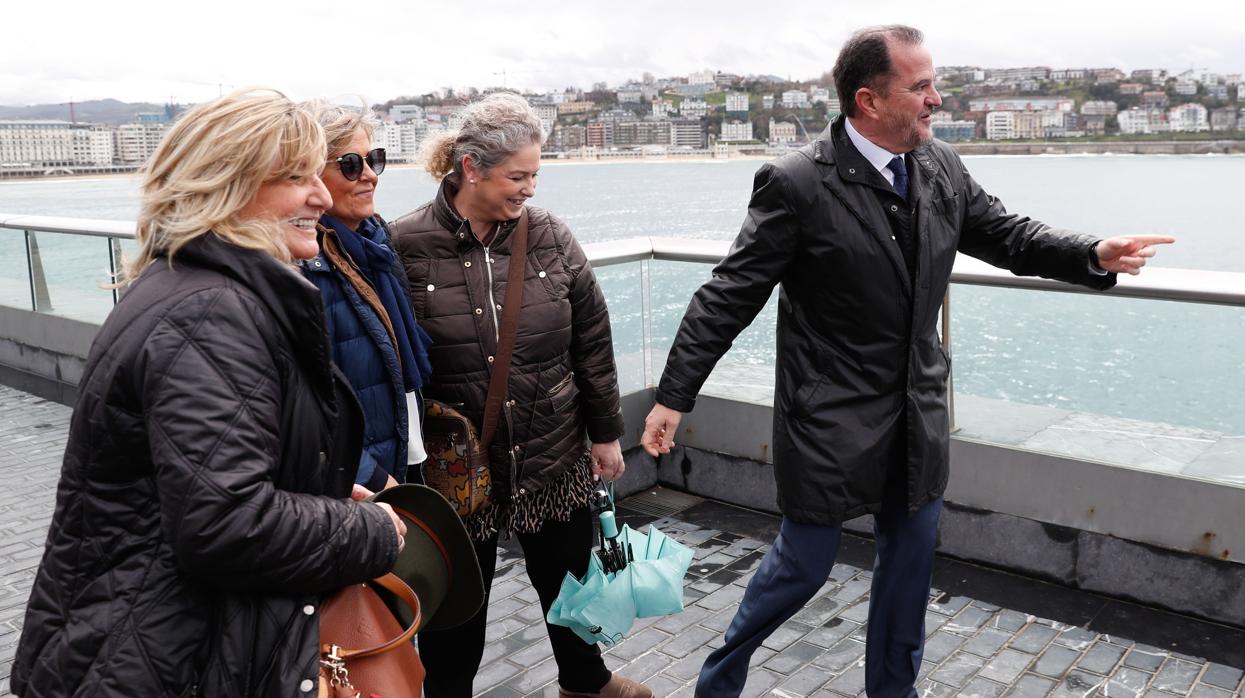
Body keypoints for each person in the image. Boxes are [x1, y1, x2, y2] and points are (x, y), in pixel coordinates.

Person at [640, 25, 1174, 698]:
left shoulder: (941, 166)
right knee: (800, 569)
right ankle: (719, 680)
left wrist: (1090, 253)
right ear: (868, 100)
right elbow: (729, 294)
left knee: (908, 572)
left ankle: (892, 692)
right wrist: (674, 396)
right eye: (920, 87)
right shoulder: (797, 183)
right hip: (827, 418)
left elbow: (1008, 235)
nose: (936, 100)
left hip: (916, 412)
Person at [11, 89, 407, 697]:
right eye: (296, 177)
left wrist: (312, 487)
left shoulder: (197, 289)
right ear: (227, 184)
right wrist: (370, 532)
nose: (322, 196)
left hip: (157, 642)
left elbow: (209, 475)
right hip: (155, 660)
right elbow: (223, 522)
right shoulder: (211, 313)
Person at [390, 92, 651, 698]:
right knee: (456, 616)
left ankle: (587, 684)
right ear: (471, 168)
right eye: (518, 175)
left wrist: (607, 434)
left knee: (570, 587)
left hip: (552, 452)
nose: (530, 188)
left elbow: (593, 340)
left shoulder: (551, 236)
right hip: (458, 473)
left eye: (536, 173)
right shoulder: (403, 245)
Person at [300, 100, 433, 492]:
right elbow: (314, 405)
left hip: (402, 446)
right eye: (350, 165)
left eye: (374, 160)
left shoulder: (377, 241)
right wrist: (370, 477)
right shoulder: (309, 265)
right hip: (363, 478)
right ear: (310, 176)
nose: (370, 176)